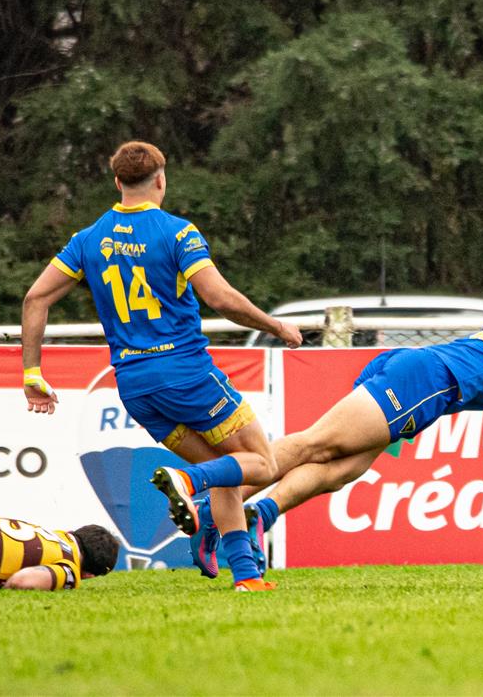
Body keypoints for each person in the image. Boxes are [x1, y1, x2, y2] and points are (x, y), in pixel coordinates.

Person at [193, 258, 483, 565]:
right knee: (315, 443)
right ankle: (211, 505)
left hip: (421, 375)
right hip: (426, 382)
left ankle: (255, 515)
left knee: (344, 467)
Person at [20, 141, 302, 591]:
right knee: (263, 464)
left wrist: (32, 374)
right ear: (161, 179)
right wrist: (275, 325)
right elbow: (219, 298)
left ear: (117, 183)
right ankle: (187, 483)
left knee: (229, 467)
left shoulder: (88, 239)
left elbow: (36, 297)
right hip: (186, 374)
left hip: (135, 387)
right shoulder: (177, 232)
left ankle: (246, 576)